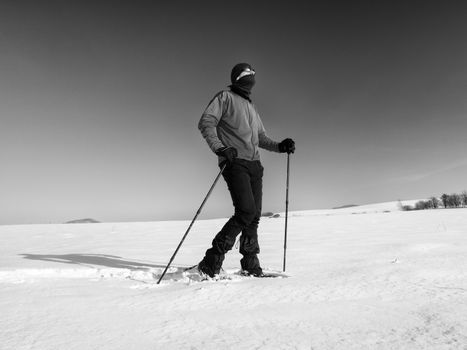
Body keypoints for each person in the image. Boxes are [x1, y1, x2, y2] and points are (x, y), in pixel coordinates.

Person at [197, 62, 295, 277]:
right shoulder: (225, 98)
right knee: (246, 212)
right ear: (237, 78)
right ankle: (211, 260)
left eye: (253, 73)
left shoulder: (251, 108)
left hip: (254, 165)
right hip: (234, 162)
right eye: (247, 73)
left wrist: (280, 146)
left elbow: (260, 138)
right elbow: (206, 122)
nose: (251, 76)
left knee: (254, 216)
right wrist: (221, 148)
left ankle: (250, 264)